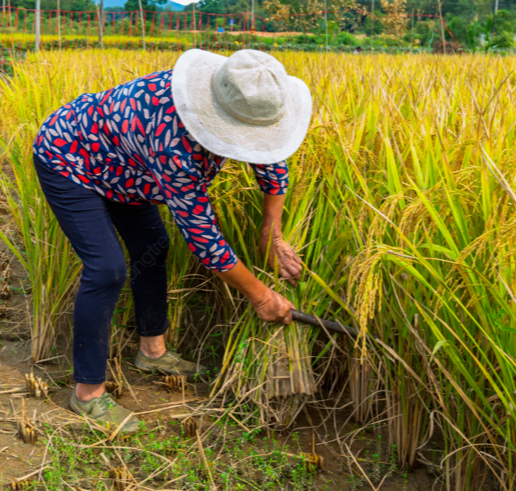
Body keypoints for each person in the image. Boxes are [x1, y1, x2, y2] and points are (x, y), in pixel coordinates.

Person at [33, 49, 312, 435]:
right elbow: (205, 240)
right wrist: (263, 297)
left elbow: (269, 157)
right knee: (107, 268)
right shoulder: (173, 143)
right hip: (71, 160)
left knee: (154, 249)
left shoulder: (240, 95)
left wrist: (273, 233)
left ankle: (152, 352)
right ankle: (87, 394)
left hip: (128, 172)